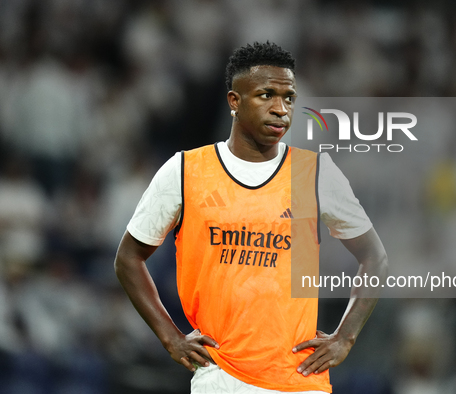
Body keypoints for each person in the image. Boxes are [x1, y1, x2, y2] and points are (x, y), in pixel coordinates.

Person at [114, 41, 388, 394]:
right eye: (266, 95)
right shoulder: (185, 171)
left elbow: (374, 257)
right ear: (234, 101)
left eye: (289, 98)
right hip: (221, 376)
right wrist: (171, 337)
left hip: (301, 378)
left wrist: (345, 337)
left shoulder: (315, 173)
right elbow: (128, 258)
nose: (280, 109)